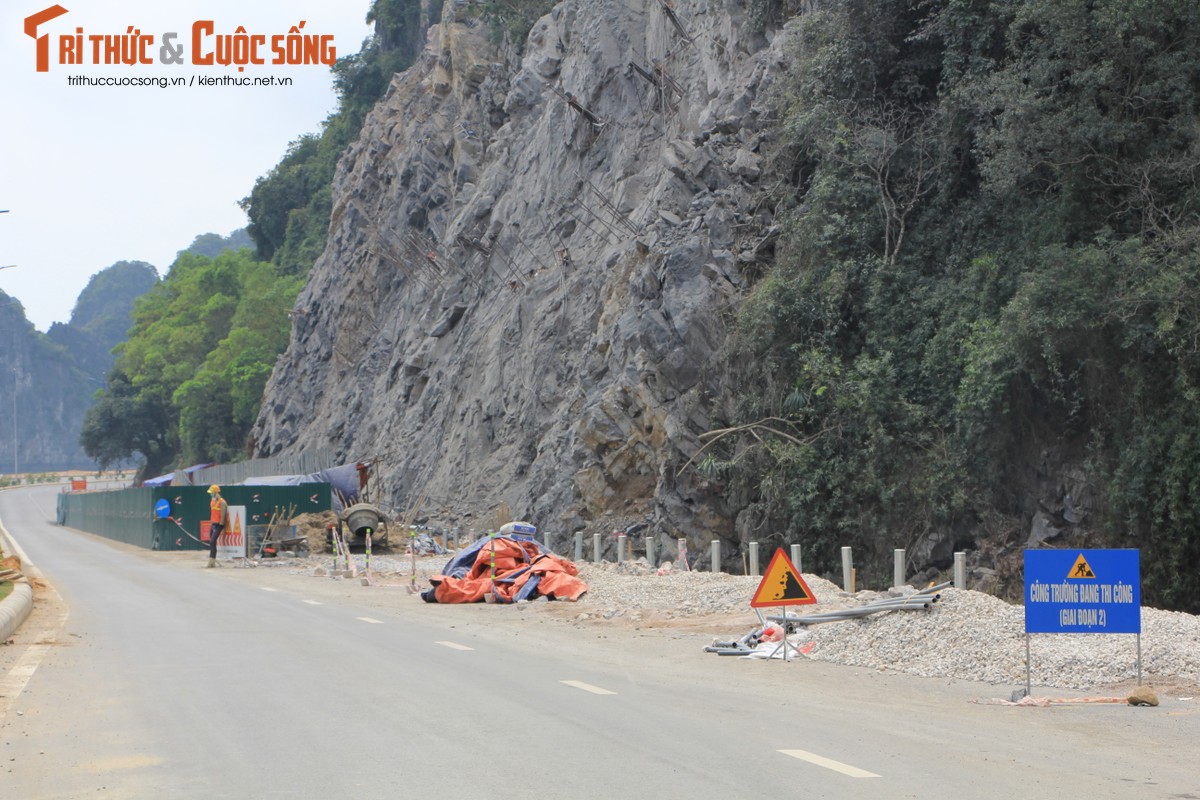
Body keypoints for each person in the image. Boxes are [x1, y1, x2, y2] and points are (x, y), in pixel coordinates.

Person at [206, 485, 229, 568]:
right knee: (211, 542)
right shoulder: (212, 501)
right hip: (213, 523)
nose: (211, 494)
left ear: (215, 492)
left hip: (219, 525)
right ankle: (211, 562)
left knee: (212, 541)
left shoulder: (222, 502)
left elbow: (223, 515)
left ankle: (212, 562)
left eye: (212, 493)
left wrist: (221, 525)